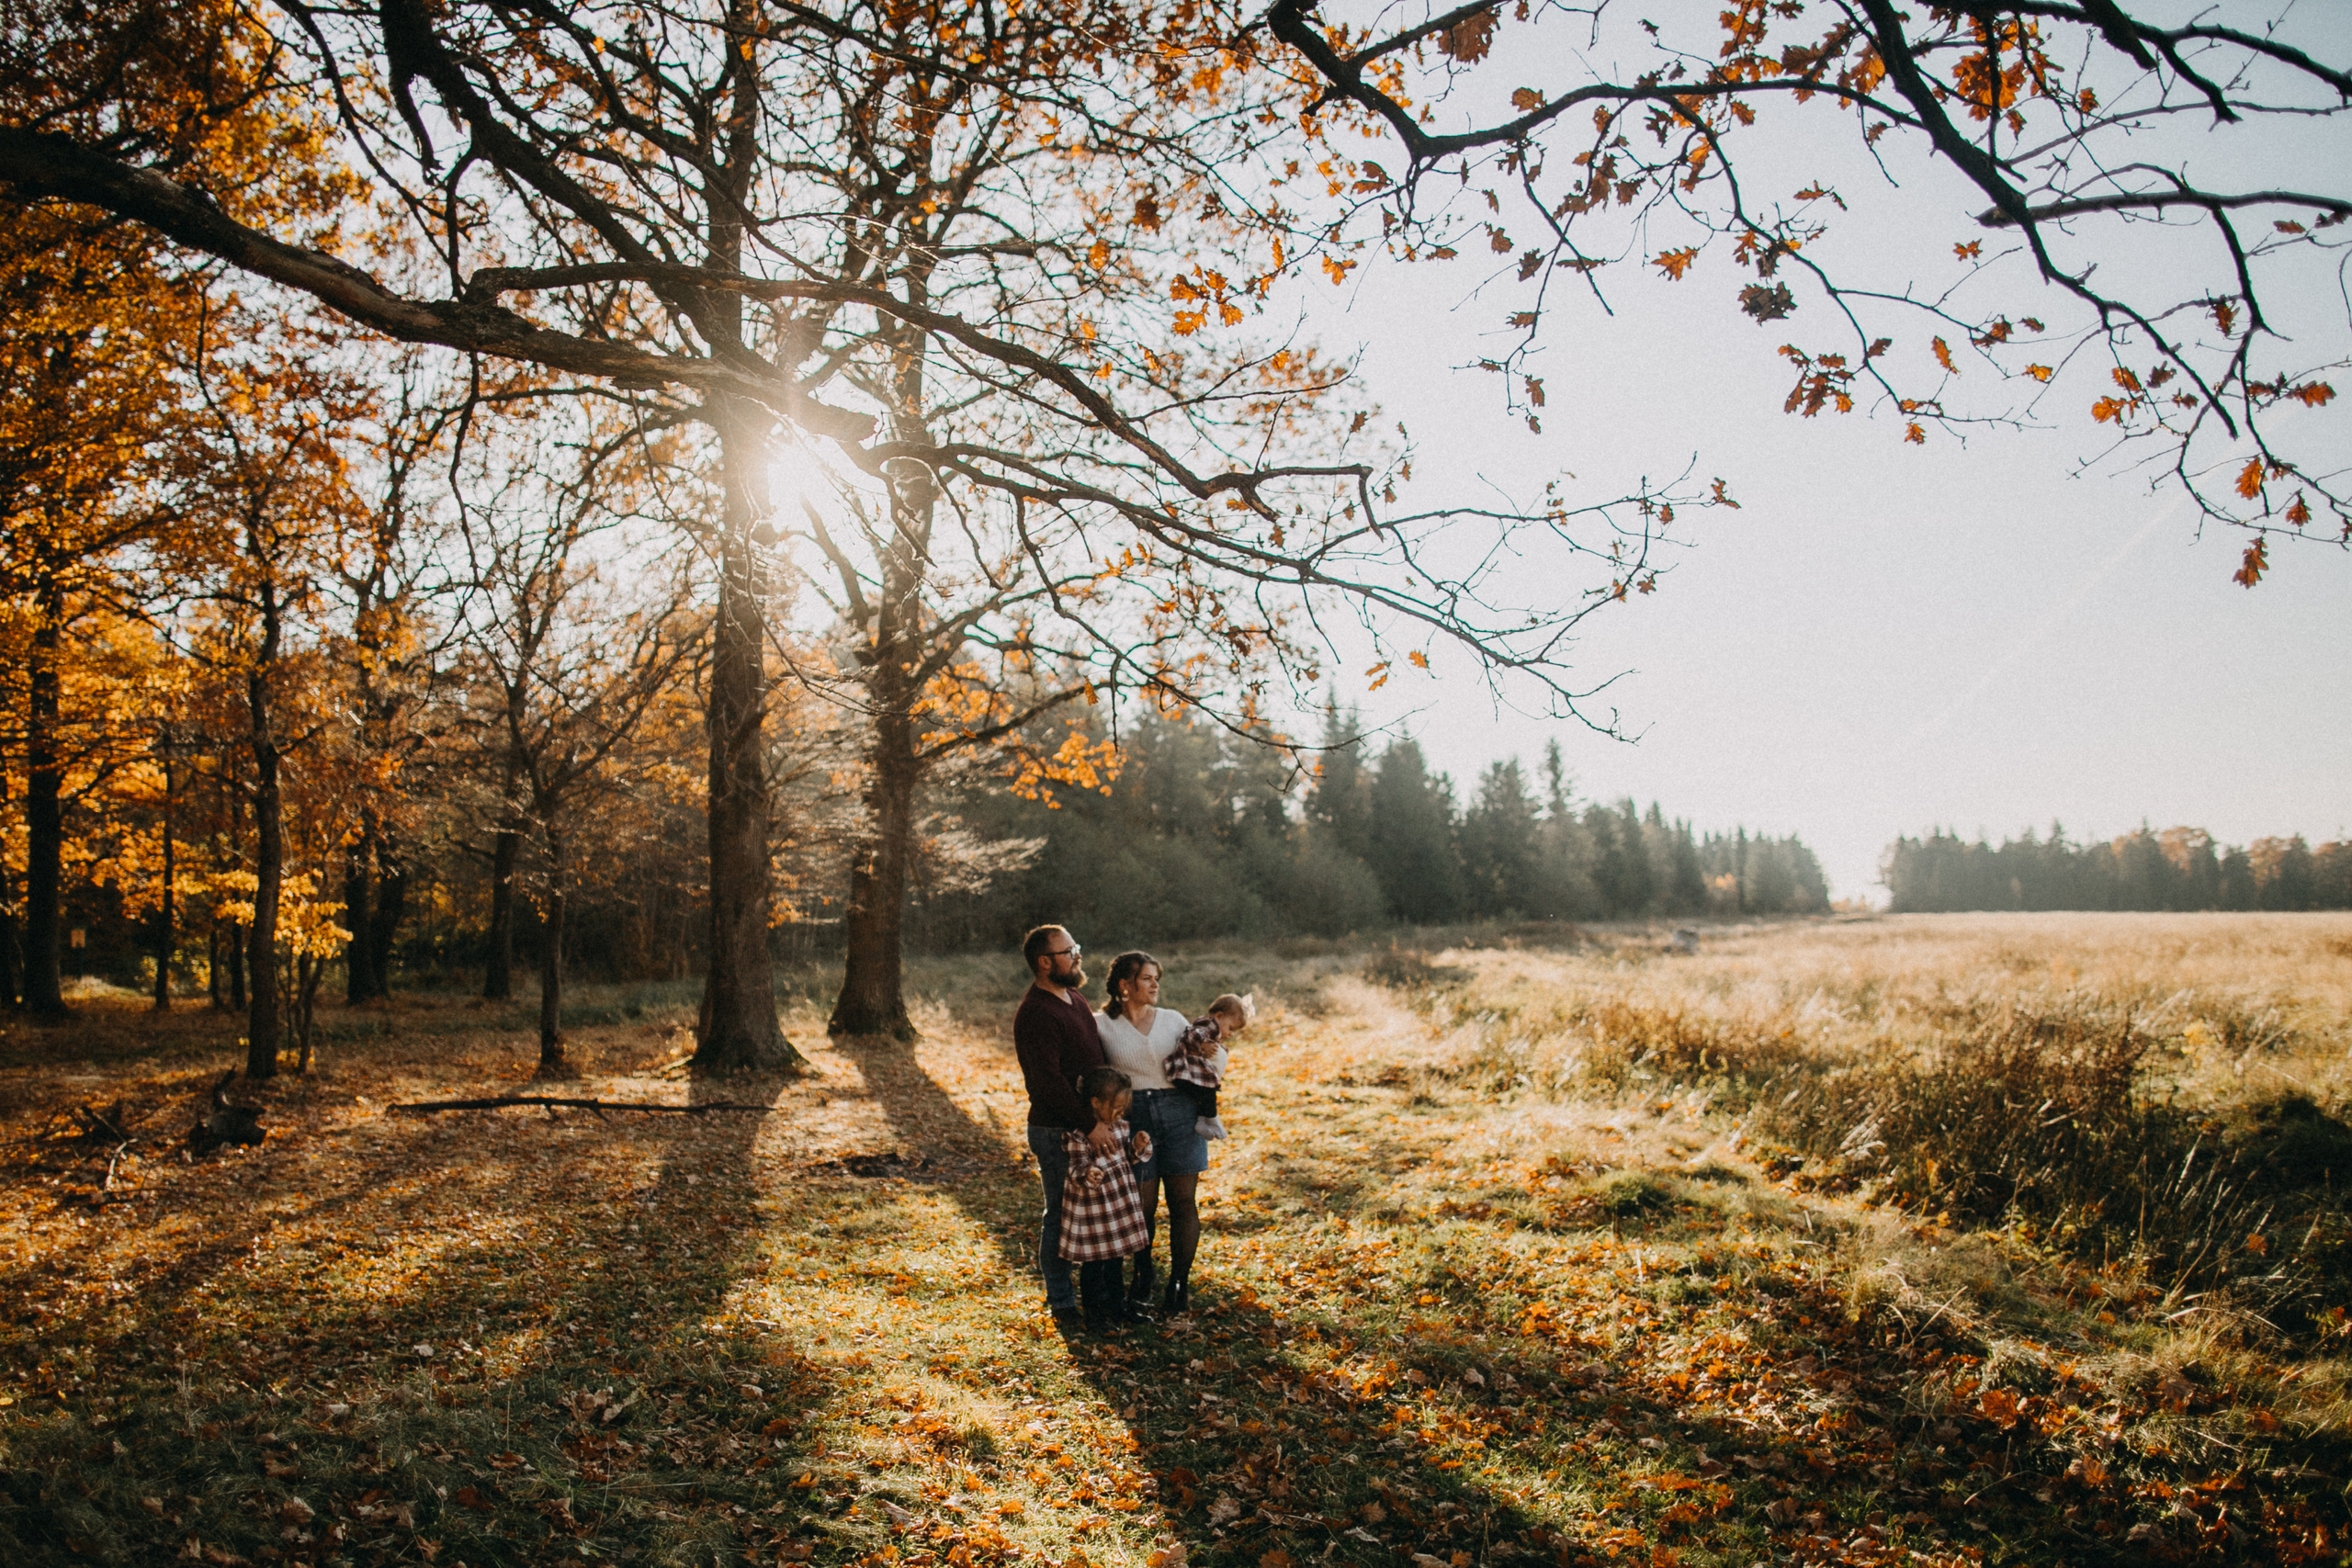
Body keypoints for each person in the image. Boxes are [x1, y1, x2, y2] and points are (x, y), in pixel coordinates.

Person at [1096, 950, 1213, 1315]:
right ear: (1124, 986)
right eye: (1147, 978)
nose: (1155, 984)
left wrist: (1212, 1054)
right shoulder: (1101, 1025)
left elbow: (1205, 1060)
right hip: (1134, 1117)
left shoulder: (1173, 1020)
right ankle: (1143, 1275)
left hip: (1180, 1112)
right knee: (1141, 1207)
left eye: (1156, 978)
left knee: (1182, 1201)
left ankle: (1179, 1281)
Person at [1012, 924, 1111, 1325]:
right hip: (1056, 1130)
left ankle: (1097, 1297)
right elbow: (1046, 1083)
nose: (1077, 955)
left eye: (1076, 948)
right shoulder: (1037, 1011)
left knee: (1089, 1214)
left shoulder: (1075, 999)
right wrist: (1089, 1124)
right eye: (1069, 950)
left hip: (1088, 1124)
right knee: (1060, 1215)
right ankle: (1061, 1301)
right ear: (1044, 961)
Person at [1059, 1065, 1154, 1333]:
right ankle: (1095, 1314)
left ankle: (1117, 1305)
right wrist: (1087, 1174)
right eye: (1116, 1107)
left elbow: (1128, 1159)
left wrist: (1137, 1146)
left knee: (1116, 1260)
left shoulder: (1121, 1127)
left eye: (1124, 1108)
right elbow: (1076, 1169)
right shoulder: (1080, 1136)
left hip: (1119, 1207)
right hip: (1095, 1213)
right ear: (1095, 1103)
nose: (1120, 1113)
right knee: (1095, 1265)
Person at [1163, 992, 1250, 1140]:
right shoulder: (1207, 1025)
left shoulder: (1212, 1032)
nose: (1231, 1034)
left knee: (1205, 1094)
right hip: (1183, 1074)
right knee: (1208, 1092)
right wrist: (1203, 1043)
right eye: (1230, 1028)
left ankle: (1202, 1121)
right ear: (1219, 1017)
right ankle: (1212, 1118)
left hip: (1189, 1075)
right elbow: (1192, 1033)